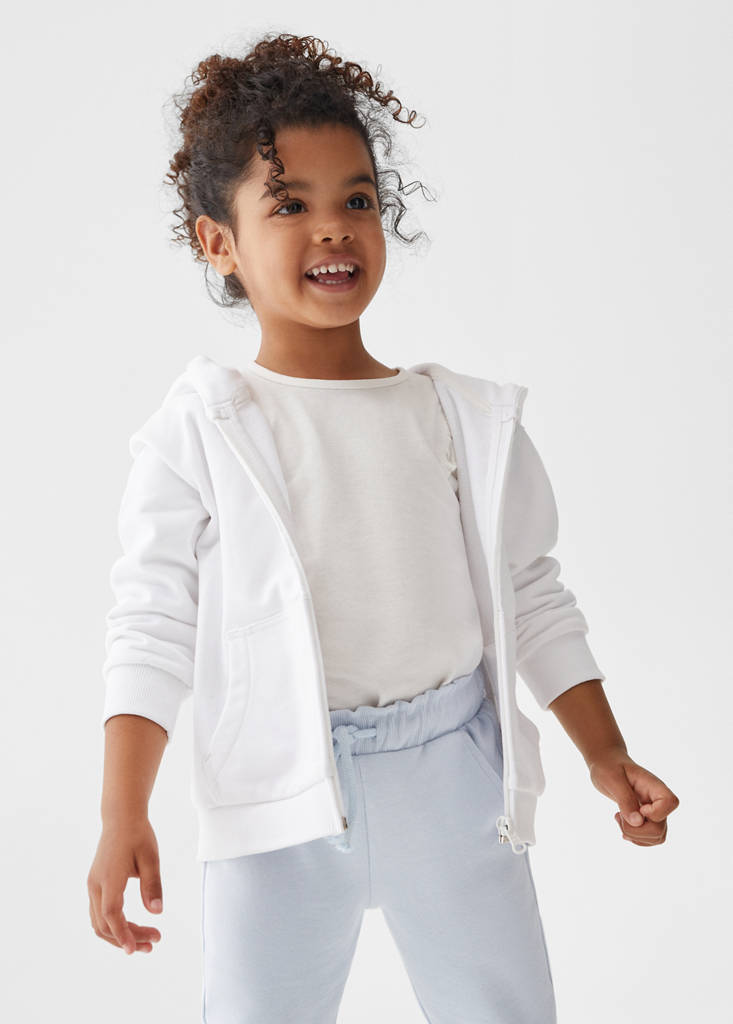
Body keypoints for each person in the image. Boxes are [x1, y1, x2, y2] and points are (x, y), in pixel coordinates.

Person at [86, 31, 680, 1024]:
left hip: (454, 776)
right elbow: (150, 629)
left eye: (357, 200)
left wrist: (604, 752)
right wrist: (121, 812)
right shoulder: (198, 432)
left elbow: (531, 593)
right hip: (279, 795)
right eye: (290, 205)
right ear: (218, 242)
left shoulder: (459, 420)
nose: (333, 228)